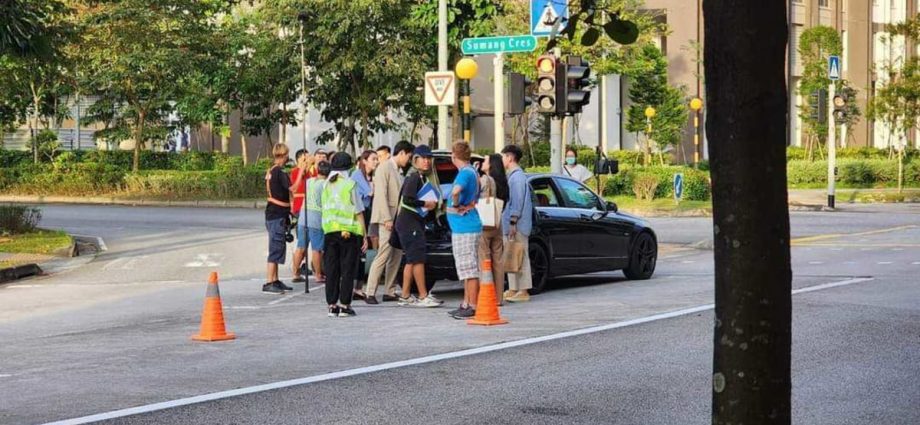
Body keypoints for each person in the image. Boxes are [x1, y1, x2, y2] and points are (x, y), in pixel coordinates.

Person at [364, 141, 414, 304]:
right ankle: (370, 291)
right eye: (409, 156)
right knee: (384, 253)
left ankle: (390, 290)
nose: (409, 160)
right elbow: (380, 195)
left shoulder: (397, 170)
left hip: (397, 219)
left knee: (396, 254)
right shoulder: (384, 168)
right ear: (402, 153)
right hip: (387, 218)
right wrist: (386, 218)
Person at [395, 145, 442, 308]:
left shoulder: (422, 177)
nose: (427, 161)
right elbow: (408, 199)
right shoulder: (413, 177)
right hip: (409, 223)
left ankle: (406, 295)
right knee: (418, 260)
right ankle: (423, 295)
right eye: (423, 158)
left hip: (412, 222)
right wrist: (425, 203)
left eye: (429, 158)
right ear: (415, 160)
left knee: (411, 259)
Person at [321, 153, 368, 317]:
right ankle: (345, 305)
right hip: (349, 232)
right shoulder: (350, 184)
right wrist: (365, 236)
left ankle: (332, 305)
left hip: (329, 232)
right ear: (349, 168)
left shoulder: (327, 184)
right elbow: (359, 211)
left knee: (332, 269)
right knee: (348, 269)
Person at [445, 141, 483, 319]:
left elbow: (456, 191)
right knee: (466, 268)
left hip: (464, 227)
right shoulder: (471, 171)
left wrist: (455, 202)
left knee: (468, 268)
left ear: (454, 155)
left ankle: (472, 305)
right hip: (466, 225)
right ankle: (466, 303)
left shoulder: (464, 174)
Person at [501, 145, 534, 303]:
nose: (502, 160)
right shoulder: (512, 176)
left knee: (521, 256)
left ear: (510, 157)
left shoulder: (518, 178)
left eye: (503, 157)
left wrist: (513, 221)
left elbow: (517, 201)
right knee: (511, 255)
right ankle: (513, 288)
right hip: (511, 224)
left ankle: (523, 289)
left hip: (518, 225)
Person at [478, 153, 509, 305]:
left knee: (484, 259)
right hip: (497, 222)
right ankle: (498, 297)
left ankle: (486, 293)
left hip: (484, 223)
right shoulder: (502, 181)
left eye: (484, 161)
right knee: (498, 260)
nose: (482, 162)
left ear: (490, 165)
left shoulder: (485, 180)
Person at [263, 143, 294, 294]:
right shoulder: (280, 172)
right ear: (283, 155)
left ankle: (275, 279)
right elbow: (292, 188)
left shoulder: (271, 170)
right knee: (275, 248)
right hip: (277, 214)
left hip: (274, 213)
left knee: (277, 246)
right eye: (287, 154)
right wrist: (302, 172)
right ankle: (269, 281)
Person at [351, 150, 379, 300]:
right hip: (358, 216)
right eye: (373, 159)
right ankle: (353, 286)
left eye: (377, 159)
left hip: (369, 215)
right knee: (358, 251)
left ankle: (359, 288)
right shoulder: (356, 176)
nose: (376, 162)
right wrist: (370, 190)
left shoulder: (372, 176)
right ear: (364, 161)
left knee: (364, 253)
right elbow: (365, 193)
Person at [305, 160, 331, 288]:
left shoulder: (309, 181)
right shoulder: (325, 184)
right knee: (317, 249)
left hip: (307, 217)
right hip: (318, 219)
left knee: (309, 247)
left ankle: (299, 271)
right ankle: (318, 274)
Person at [290, 149, 313, 283]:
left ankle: (301, 267)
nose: (306, 161)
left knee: (308, 240)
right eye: (304, 159)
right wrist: (304, 168)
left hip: (311, 207)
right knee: (301, 241)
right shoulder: (295, 172)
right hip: (300, 208)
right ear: (298, 160)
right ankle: (295, 270)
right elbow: (296, 184)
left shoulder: (311, 171)